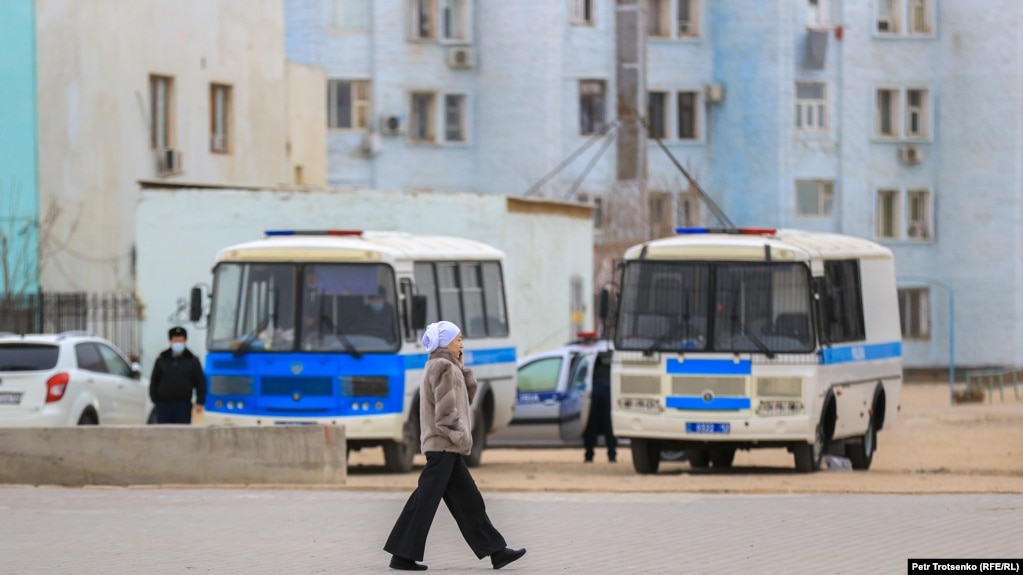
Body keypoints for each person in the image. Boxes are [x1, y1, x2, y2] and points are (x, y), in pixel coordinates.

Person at [384, 320, 526, 571]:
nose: (461, 342)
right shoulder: (442, 367)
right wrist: (461, 437)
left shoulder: (444, 365)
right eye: (457, 338)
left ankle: (496, 551)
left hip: (444, 447)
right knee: (426, 502)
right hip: (443, 445)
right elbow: (446, 413)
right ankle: (402, 554)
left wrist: (462, 368)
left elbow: (466, 398)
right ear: (445, 341)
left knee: (468, 500)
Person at [149, 326, 206, 424]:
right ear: (170, 342)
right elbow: (154, 380)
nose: (178, 343)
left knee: (182, 434)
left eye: (181, 340)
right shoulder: (162, 359)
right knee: (163, 433)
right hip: (163, 404)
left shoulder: (192, 360)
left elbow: (200, 382)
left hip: (183, 405)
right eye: (175, 340)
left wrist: (200, 401)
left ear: (185, 341)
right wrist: (155, 399)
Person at [583, 349, 617, 463]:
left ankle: (589, 455)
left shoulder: (588, 369)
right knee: (609, 426)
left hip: (593, 395)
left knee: (591, 426)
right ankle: (612, 454)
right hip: (606, 394)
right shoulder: (610, 369)